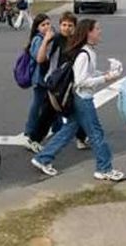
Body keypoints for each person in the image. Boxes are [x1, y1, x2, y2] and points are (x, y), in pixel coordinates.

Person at [31, 19, 124, 182]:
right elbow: (81, 81)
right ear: (88, 33)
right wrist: (106, 78)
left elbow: (87, 74)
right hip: (83, 98)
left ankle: (42, 158)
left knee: (70, 129)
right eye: (97, 29)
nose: (100, 32)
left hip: (78, 98)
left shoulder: (86, 51)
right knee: (96, 133)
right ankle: (104, 169)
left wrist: (107, 74)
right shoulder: (84, 53)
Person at [29, 11, 90, 150]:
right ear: (60, 25)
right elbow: (40, 59)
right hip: (55, 83)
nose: (66, 28)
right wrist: (46, 41)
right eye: (64, 25)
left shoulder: (76, 41)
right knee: (47, 114)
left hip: (69, 83)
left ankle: (81, 138)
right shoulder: (55, 40)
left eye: (70, 25)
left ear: (75, 27)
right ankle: (34, 139)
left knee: (79, 111)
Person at [22, 13, 54, 153]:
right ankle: (29, 131)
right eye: (43, 25)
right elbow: (38, 58)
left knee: (50, 105)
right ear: (37, 28)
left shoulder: (49, 37)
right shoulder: (37, 39)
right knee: (38, 104)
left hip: (48, 77)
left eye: (48, 23)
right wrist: (46, 42)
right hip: (40, 78)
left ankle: (57, 127)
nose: (46, 27)